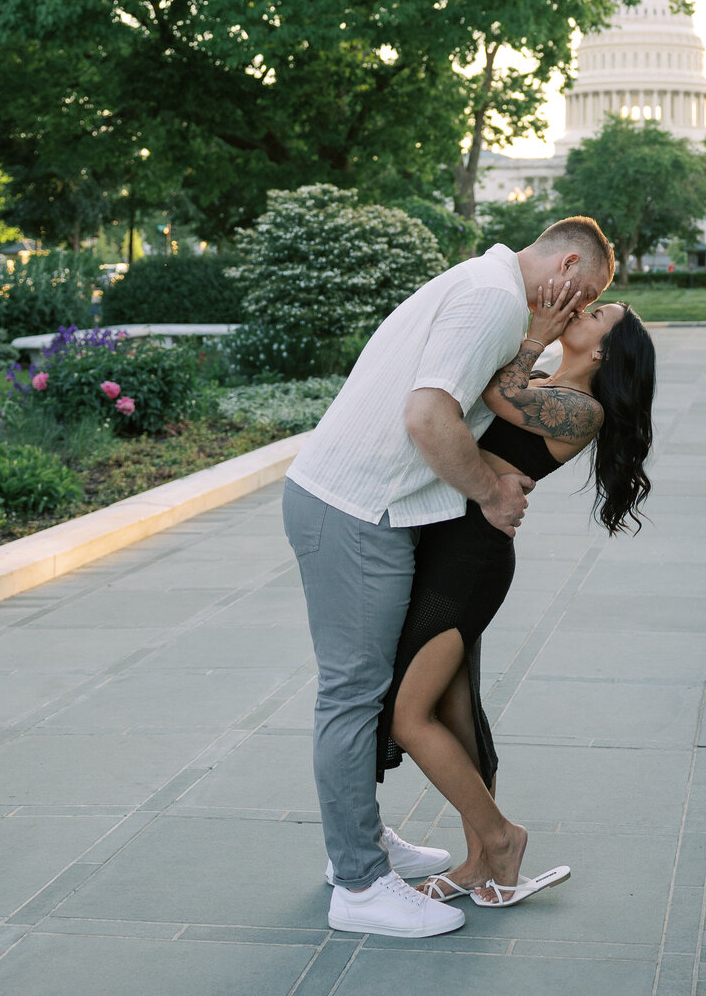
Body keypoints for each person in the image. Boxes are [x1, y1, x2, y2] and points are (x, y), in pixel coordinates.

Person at [281, 216, 614, 939]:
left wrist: (496, 472)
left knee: (401, 699)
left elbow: (483, 404)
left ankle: (374, 855)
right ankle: (365, 879)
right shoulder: (494, 298)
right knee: (366, 695)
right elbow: (436, 416)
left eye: (590, 309)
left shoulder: (496, 300)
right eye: (581, 293)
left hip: (427, 534)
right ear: (561, 265)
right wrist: (494, 486)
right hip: (368, 510)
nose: (575, 312)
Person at [375, 286, 656, 909]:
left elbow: (489, 391)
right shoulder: (559, 386)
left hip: (469, 564)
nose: (584, 312)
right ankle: (480, 864)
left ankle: (502, 840)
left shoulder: (582, 409)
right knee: (453, 712)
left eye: (598, 315)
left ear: (607, 354)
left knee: (408, 714)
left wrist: (535, 333)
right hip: (449, 548)